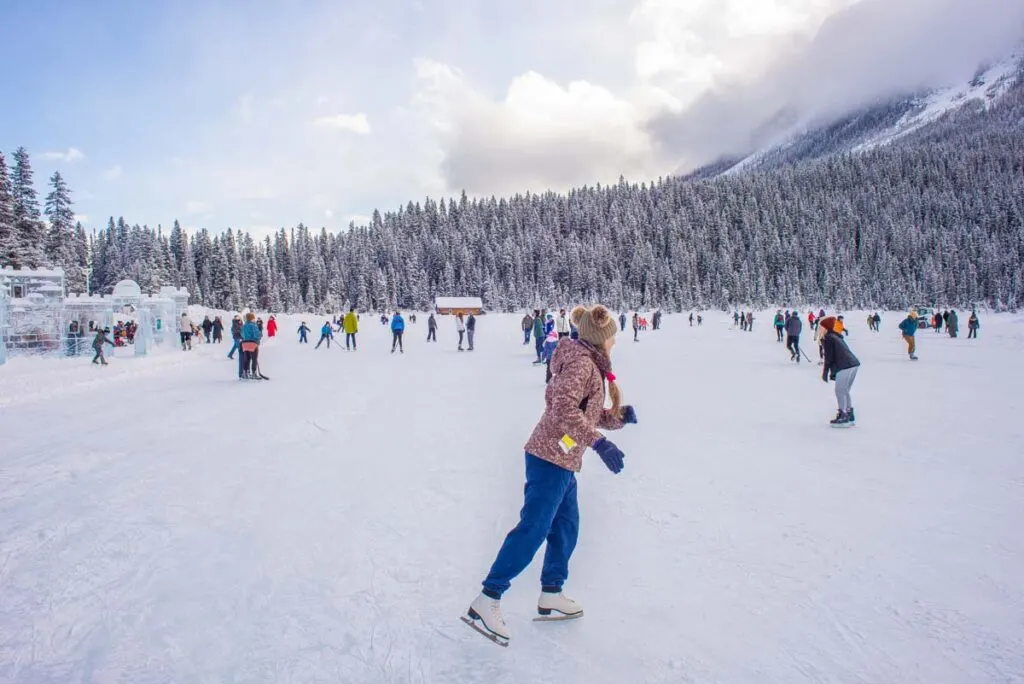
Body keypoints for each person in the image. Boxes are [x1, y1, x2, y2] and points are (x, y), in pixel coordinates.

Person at [464, 305, 637, 646]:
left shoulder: (588, 363)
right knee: (534, 528)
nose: (616, 339)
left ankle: (551, 593)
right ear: (601, 338)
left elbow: (583, 412)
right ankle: (488, 598)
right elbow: (563, 408)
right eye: (613, 334)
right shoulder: (583, 364)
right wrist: (600, 444)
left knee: (566, 527)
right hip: (549, 457)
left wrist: (617, 418)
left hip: (564, 458)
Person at [819, 316, 860, 426]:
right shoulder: (836, 336)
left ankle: (843, 415)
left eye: (821, 327)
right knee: (845, 390)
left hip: (845, 365)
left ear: (826, 327)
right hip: (853, 364)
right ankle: (849, 413)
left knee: (839, 390)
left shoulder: (828, 338)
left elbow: (829, 357)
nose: (820, 330)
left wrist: (825, 372)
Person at [240, 312, 263, 379]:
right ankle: (254, 373)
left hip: (245, 343)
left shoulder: (244, 326)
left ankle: (245, 372)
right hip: (252, 343)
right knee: (254, 359)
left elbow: (242, 334)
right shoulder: (253, 325)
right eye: (253, 317)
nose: (254, 319)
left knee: (246, 359)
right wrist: (260, 335)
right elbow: (256, 335)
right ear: (251, 318)